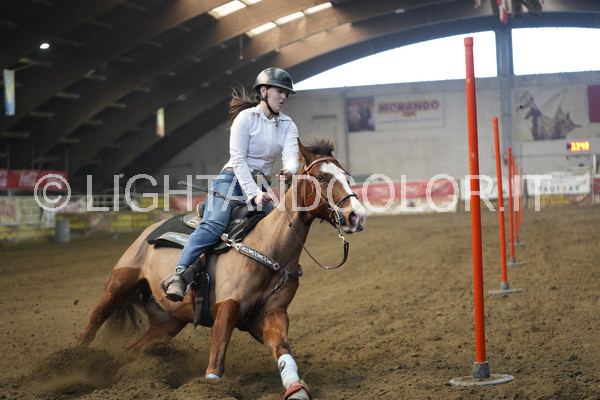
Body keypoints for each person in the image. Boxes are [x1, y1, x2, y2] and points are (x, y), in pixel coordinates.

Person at [164, 67, 300, 302]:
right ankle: (179, 275)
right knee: (215, 223)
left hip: (261, 185)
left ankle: (278, 276)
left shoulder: (288, 124)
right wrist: (254, 193)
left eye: (286, 93)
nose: (283, 97)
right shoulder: (245, 119)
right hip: (232, 180)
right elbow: (238, 159)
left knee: (281, 228)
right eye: (279, 91)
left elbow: (291, 157)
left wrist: (289, 170)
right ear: (264, 91)